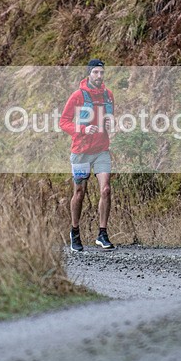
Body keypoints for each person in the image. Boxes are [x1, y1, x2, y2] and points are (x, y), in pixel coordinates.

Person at [59, 59, 116, 251]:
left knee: (106, 189)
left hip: (101, 150)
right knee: (79, 193)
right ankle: (75, 231)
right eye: (96, 73)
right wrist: (83, 129)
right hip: (81, 152)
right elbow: (63, 122)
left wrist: (111, 125)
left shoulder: (109, 95)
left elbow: (110, 119)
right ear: (89, 74)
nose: (99, 76)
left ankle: (102, 233)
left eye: (102, 73)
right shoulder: (78, 96)